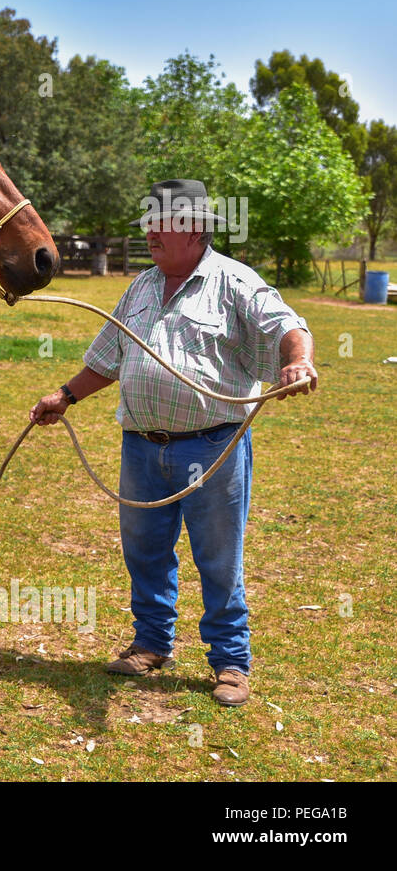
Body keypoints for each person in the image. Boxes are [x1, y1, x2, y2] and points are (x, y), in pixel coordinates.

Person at [30, 179, 317, 707]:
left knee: (218, 557)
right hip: (141, 446)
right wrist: (65, 396)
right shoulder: (140, 286)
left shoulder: (234, 282)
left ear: (194, 228)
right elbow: (108, 357)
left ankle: (230, 662)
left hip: (210, 448)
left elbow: (287, 326)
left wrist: (297, 361)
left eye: (159, 221)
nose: (149, 232)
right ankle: (151, 643)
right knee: (144, 551)